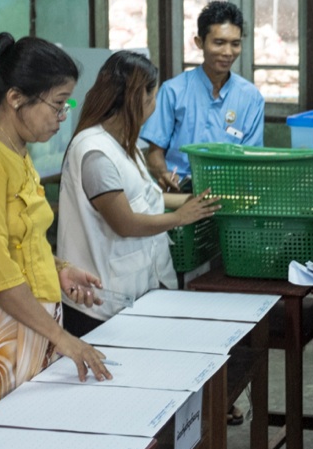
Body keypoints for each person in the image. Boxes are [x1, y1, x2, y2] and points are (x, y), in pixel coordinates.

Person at [0, 33, 112, 440]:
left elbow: (20, 239)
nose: (61, 116)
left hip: (25, 321)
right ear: (15, 97)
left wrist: (57, 269)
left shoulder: (16, 152)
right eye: (57, 103)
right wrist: (64, 338)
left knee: (25, 444)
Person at [57, 51, 220, 337]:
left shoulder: (123, 143)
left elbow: (141, 199)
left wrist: (192, 203)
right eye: (153, 97)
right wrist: (181, 217)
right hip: (98, 303)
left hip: (133, 291)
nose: (154, 105)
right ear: (139, 99)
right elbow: (125, 222)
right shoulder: (95, 152)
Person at [142, 1, 264, 189]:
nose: (228, 52)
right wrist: (166, 178)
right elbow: (154, 153)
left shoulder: (251, 98)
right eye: (219, 43)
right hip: (180, 191)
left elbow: (252, 159)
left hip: (229, 192)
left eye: (235, 44)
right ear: (199, 42)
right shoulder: (173, 91)